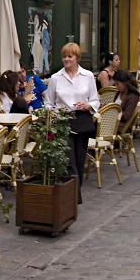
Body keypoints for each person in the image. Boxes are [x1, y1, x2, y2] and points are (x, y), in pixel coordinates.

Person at [44, 43, 100, 202]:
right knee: (69, 162)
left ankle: (73, 195)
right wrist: (52, 112)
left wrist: (88, 105)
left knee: (80, 161)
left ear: (77, 58)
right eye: (64, 56)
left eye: (70, 56)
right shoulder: (56, 78)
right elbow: (48, 103)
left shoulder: (88, 76)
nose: (67, 59)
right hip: (63, 122)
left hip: (82, 121)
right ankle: (74, 199)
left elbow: (95, 100)